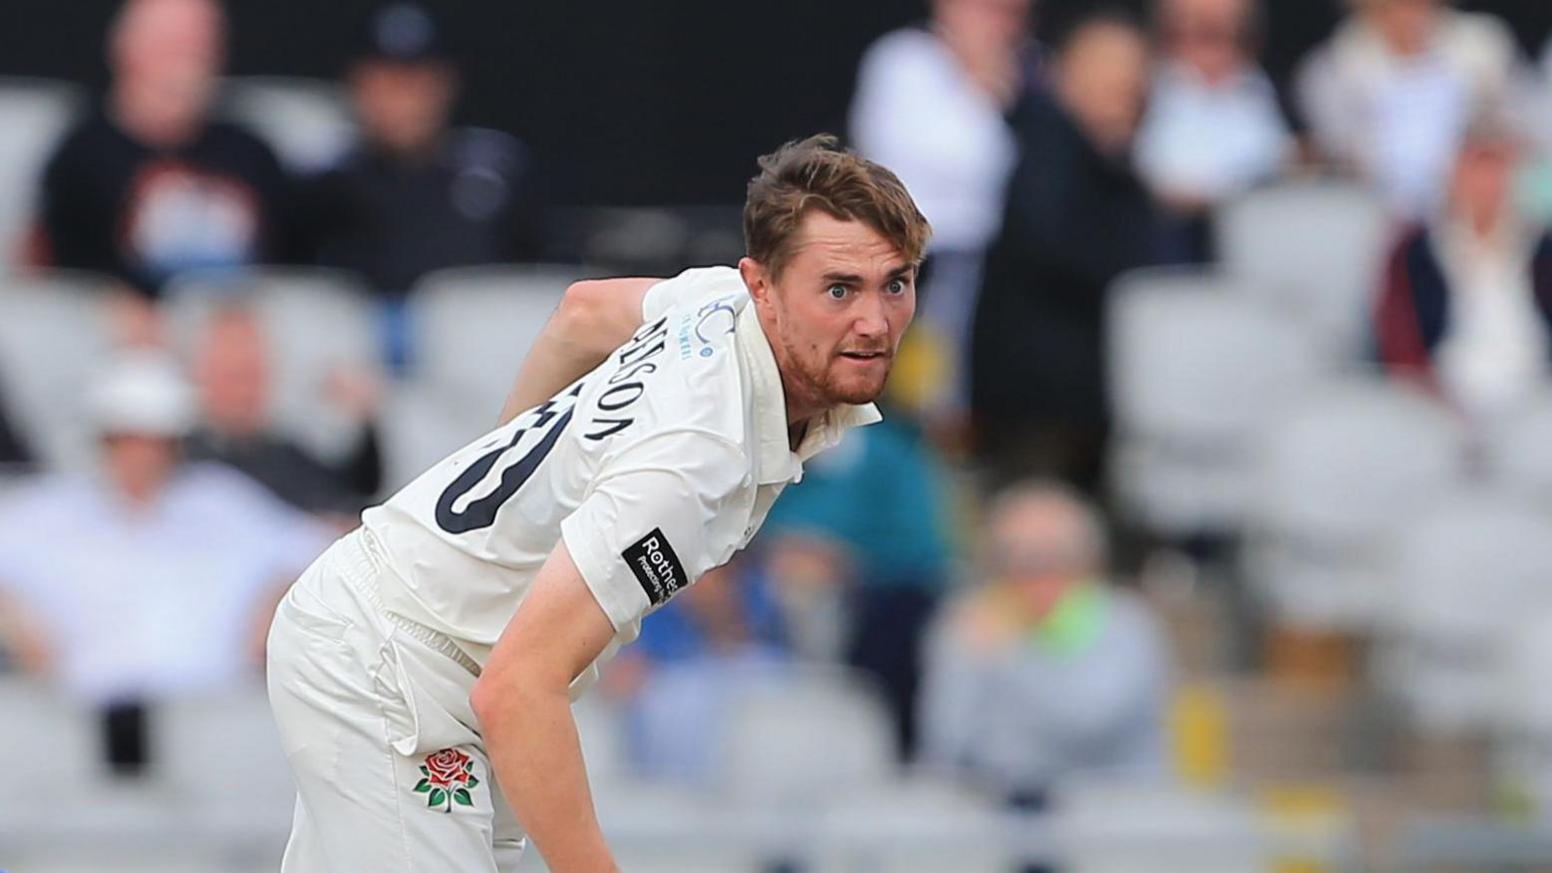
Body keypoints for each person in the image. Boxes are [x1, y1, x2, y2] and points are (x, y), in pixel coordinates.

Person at [265, 134, 929, 871]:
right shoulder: (698, 457)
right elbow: (519, 689)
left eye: (895, 284)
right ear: (763, 286)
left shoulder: (720, 301)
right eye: (839, 289)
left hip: (410, 637)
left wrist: (502, 481)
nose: (874, 321)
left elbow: (581, 313)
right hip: (394, 659)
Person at [0, 353, 330, 771]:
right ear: (104, 440)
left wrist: (277, 605)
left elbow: (327, 550)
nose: (144, 455)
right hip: (82, 726)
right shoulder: (48, 513)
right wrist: (12, 617)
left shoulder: (222, 503)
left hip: (211, 725)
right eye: (129, 438)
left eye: (157, 440)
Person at [970, 9, 1162, 493]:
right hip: (1039, 407)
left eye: (1135, 69)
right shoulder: (1044, 146)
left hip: (1088, 404)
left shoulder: (1111, 162)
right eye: (1107, 67)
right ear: (1065, 70)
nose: (1125, 84)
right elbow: (1061, 247)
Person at [919, 483, 1171, 843]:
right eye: (1011, 559)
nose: (1030, 576)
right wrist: (966, 660)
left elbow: (1089, 724)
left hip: (1114, 825)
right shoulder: (971, 620)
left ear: (1088, 562)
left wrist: (1011, 657)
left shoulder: (1124, 623)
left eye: (1047, 559)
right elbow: (946, 741)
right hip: (996, 819)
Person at [298, 2, 544, 367]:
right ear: (358, 84)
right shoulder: (324, 185)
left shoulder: (498, 172)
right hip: (359, 370)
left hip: (488, 367)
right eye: (388, 82)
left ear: (445, 85)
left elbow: (542, 283)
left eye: (416, 83)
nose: (404, 100)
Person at [848, 0, 1036, 416]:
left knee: (955, 386)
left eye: (1012, 14)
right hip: (908, 252)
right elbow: (944, 155)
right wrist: (983, 89)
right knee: (900, 377)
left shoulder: (1030, 68)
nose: (999, 25)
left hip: (988, 262)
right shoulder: (903, 60)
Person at [34, 0, 291, 298]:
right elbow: (58, 269)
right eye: (172, 46)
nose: (188, 64)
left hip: (233, 322)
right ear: (124, 50)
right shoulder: (81, 156)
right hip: (119, 328)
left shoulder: (251, 153)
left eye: (201, 45)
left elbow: (289, 264)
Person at [1372, 108, 1552, 426]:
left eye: (1496, 169)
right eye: (1475, 169)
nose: (1485, 184)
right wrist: (1426, 392)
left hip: (1537, 393)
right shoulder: (1416, 250)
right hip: (1444, 396)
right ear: (1453, 175)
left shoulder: (1541, 245)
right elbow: (1397, 334)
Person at [1295, 0, 1519, 219]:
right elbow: (1339, 150)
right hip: (1374, 210)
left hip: (1471, 208)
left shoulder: (1482, 46)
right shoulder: (1335, 65)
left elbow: (1517, 128)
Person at [183, 305, 384, 519]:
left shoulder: (287, 455)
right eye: (233, 376)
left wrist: (362, 420)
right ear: (200, 374)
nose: (245, 391)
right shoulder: (178, 460)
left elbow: (353, 491)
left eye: (253, 374)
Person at [1134, 0, 1292, 261]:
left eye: (1221, 29)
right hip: (1165, 241)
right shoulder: (1143, 90)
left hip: (1263, 241)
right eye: (1199, 26)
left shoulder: (1269, 91)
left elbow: (1284, 161)